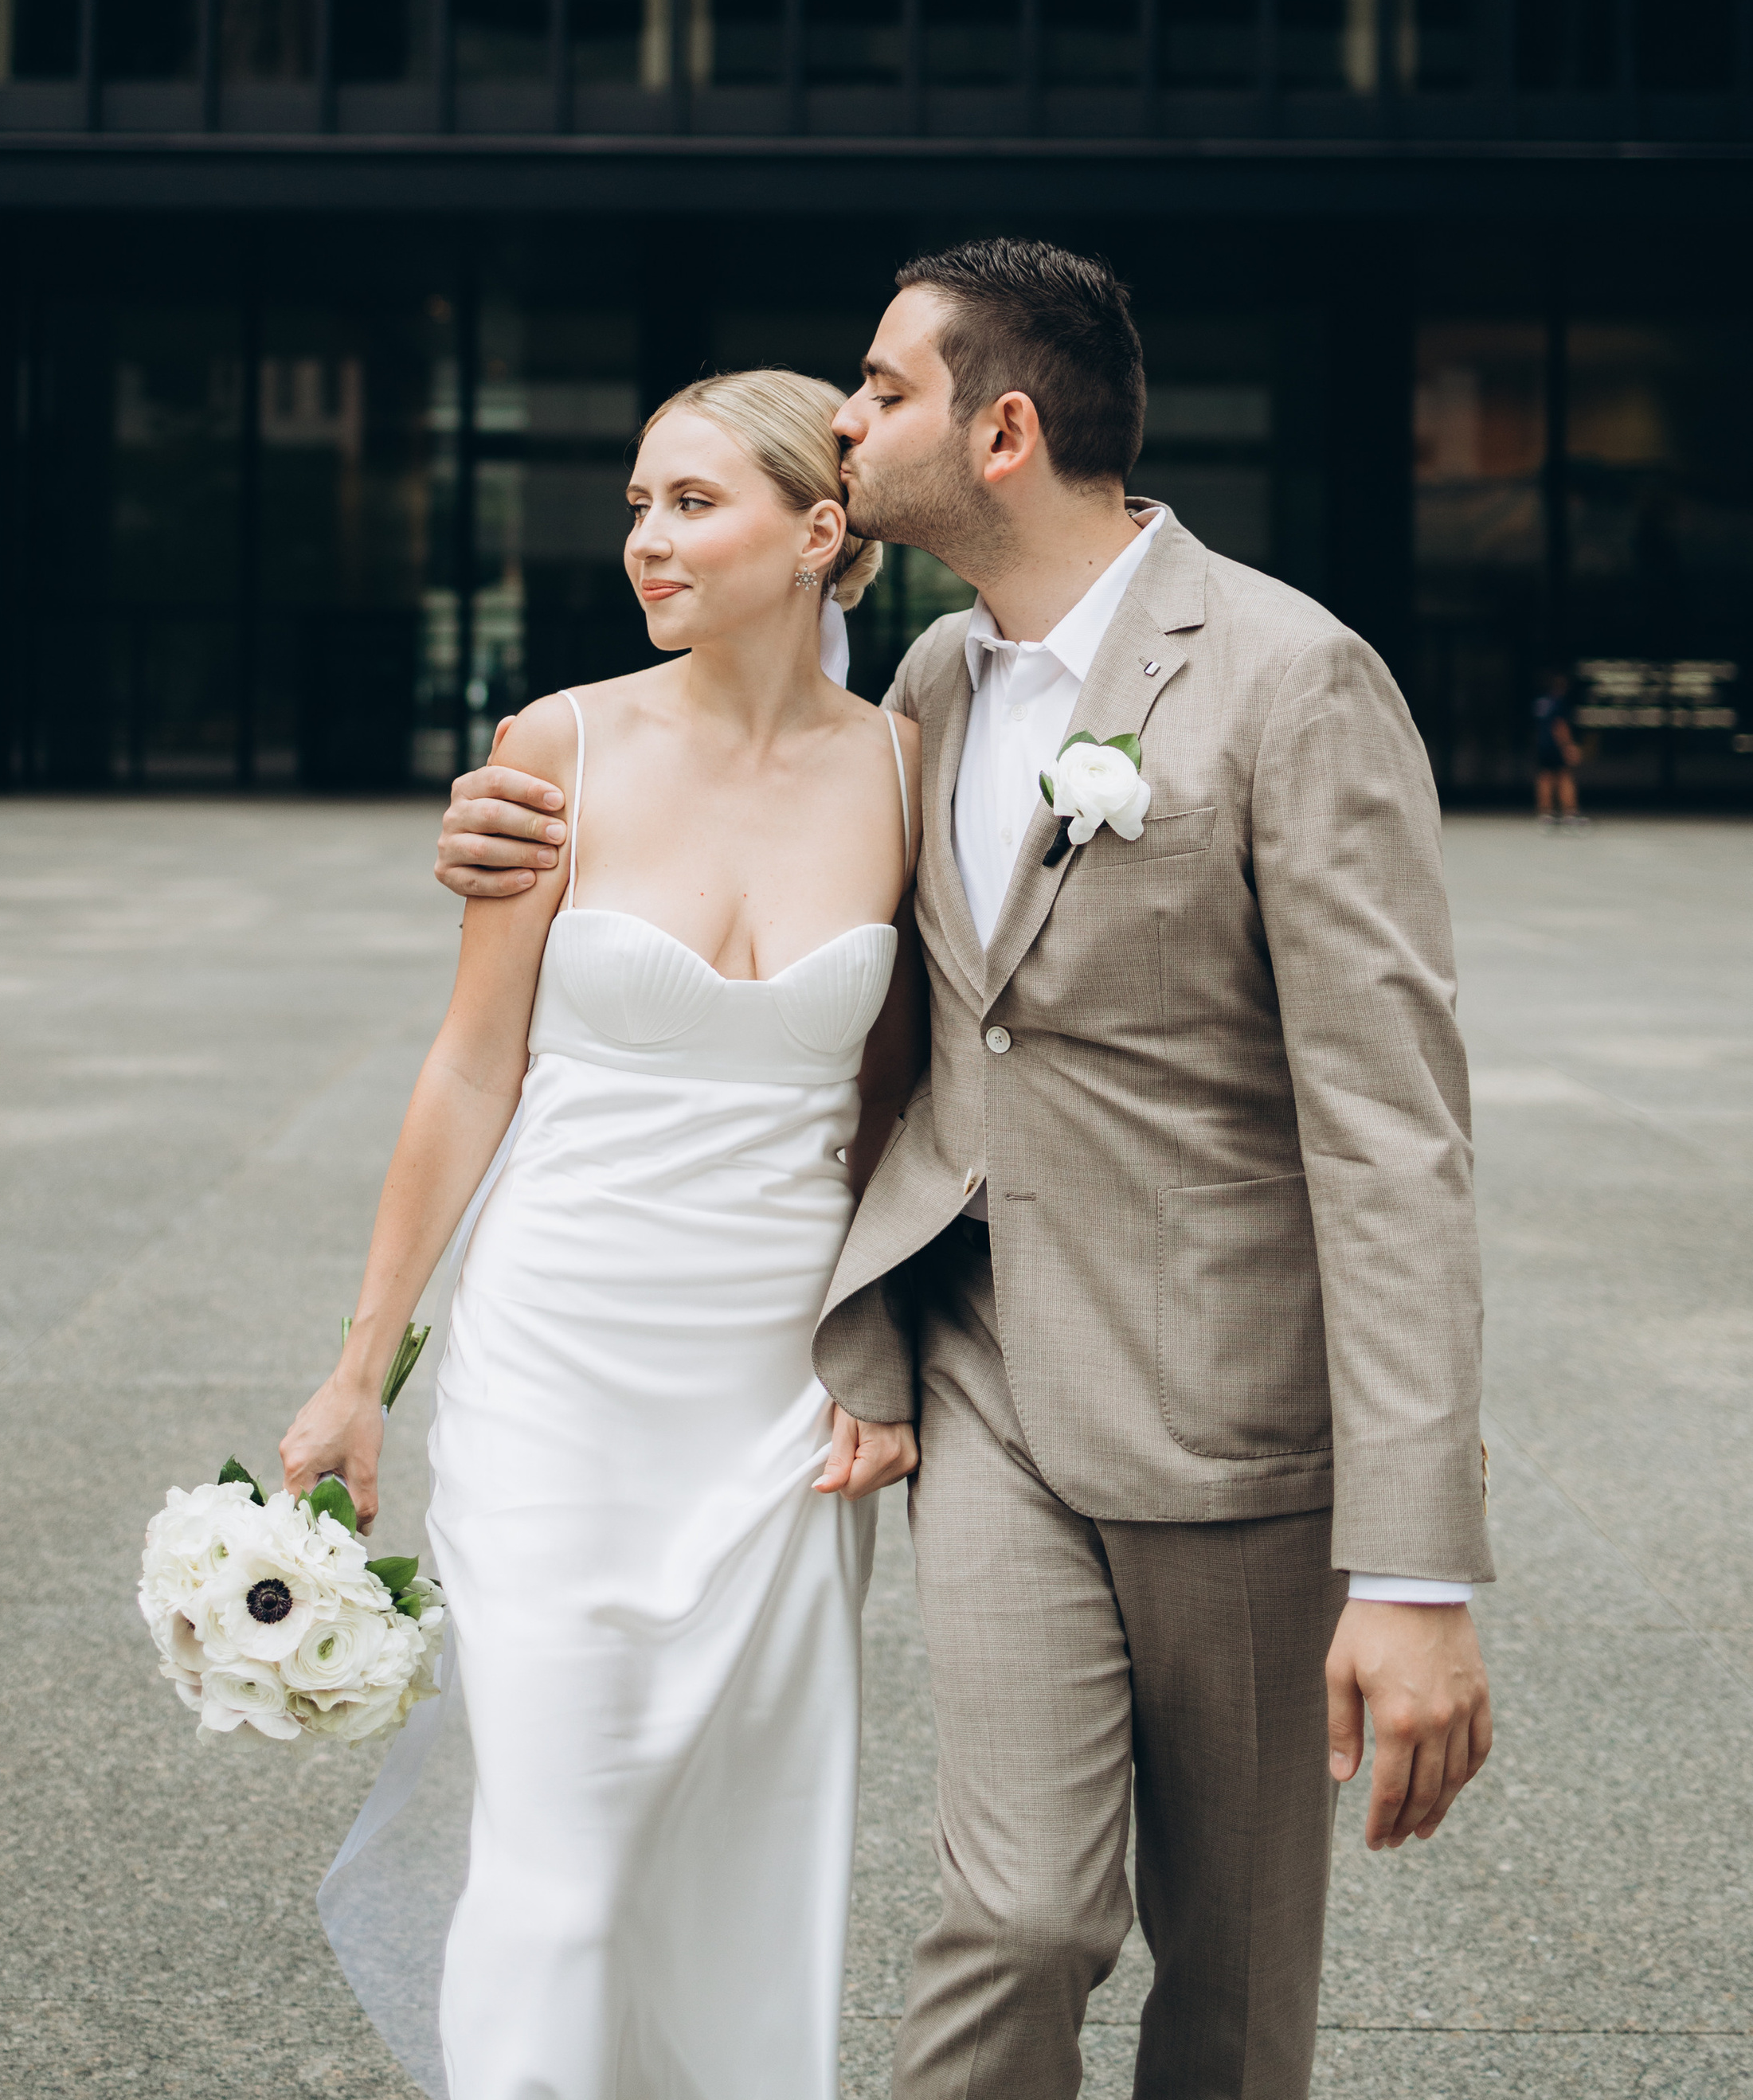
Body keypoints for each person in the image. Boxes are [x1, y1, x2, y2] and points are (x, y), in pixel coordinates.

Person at [436, 237, 1495, 2100]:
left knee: (1232, 1978)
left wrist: (1412, 1567)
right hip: (988, 1386)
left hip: (1233, 1416)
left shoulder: (1285, 674)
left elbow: (1390, 1130)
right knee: (1010, 1918)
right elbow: (892, 1014)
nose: (846, 418)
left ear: (1001, 429)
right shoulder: (922, 683)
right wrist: (515, 815)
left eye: (882, 386)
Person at [281, 369, 924, 2100]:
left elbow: (923, 1105)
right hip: (556, 1364)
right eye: (637, 503)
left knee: (746, 1864)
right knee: (558, 1863)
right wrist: (363, 1376)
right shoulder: (550, 748)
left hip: (779, 1399)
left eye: (692, 504)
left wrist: (895, 1361)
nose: (645, 540)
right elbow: (470, 1064)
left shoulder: (907, 773)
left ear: (818, 530)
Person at [1532, 666, 1588, 830]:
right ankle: (1570, 815)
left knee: (1545, 779)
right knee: (1565, 778)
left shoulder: (1540, 703)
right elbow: (1560, 726)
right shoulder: (1559, 703)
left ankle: (1546, 816)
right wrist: (1568, 746)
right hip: (1556, 746)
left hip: (1543, 746)